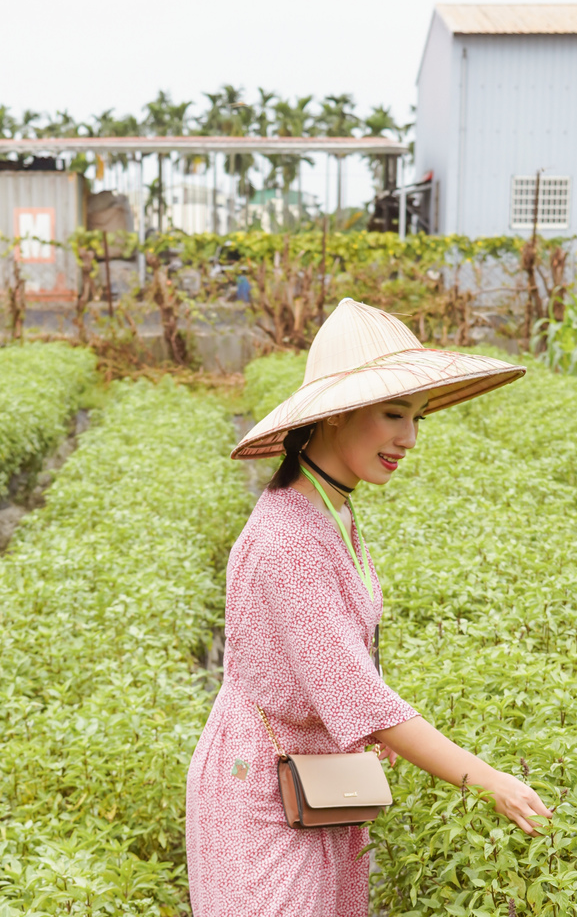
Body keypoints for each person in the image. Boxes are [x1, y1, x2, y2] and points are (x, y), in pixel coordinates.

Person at [185, 298, 553, 917]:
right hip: (263, 793)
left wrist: (352, 723)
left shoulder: (332, 509)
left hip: (314, 779)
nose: (408, 438)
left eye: (415, 417)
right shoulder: (289, 538)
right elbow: (360, 695)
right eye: (392, 414)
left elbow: (342, 669)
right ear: (333, 418)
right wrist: (492, 782)